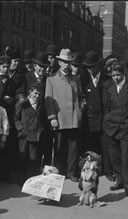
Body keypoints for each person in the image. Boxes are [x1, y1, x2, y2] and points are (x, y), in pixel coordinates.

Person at [44, 49, 84, 181]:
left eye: (69, 62)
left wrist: (80, 109)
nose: (66, 65)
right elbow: (48, 100)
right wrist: (52, 117)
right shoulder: (51, 79)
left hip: (73, 118)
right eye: (64, 62)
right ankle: (60, 171)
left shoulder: (75, 79)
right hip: (59, 118)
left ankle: (71, 172)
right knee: (59, 147)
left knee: (73, 148)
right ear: (59, 62)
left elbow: (81, 96)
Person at [103, 62, 128, 196]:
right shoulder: (110, 90)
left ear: (123, 74)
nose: (116, 78)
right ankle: (119, 180)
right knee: (115, 157)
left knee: (126, 157)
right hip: (111, 127)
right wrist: (107, 121)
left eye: (118, 75)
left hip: (126, 128)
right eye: (113, 75)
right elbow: (107, 108)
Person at [81, 51, 114, 180]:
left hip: (104, 119)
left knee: (105, 147)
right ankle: (90, 170)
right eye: (88, 67)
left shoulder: (106, 79)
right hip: (90, 120)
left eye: (92, 67)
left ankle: (108, 171)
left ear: (98, 66)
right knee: (90, 146)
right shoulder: (84, 79)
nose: (90, 70)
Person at [14, 83, 46, 185]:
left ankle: (30, 180)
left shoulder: (41, 104)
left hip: (36, 135)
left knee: (33, 158)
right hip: (24, 135)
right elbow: (15, 118)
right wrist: (21, 129)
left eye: (39, 94)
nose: (37, 96)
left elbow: (42, 118)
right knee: (22, 157)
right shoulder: (22, 104)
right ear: (30, 92)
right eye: (35, 93)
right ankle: (20, 178)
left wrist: (41, 130)